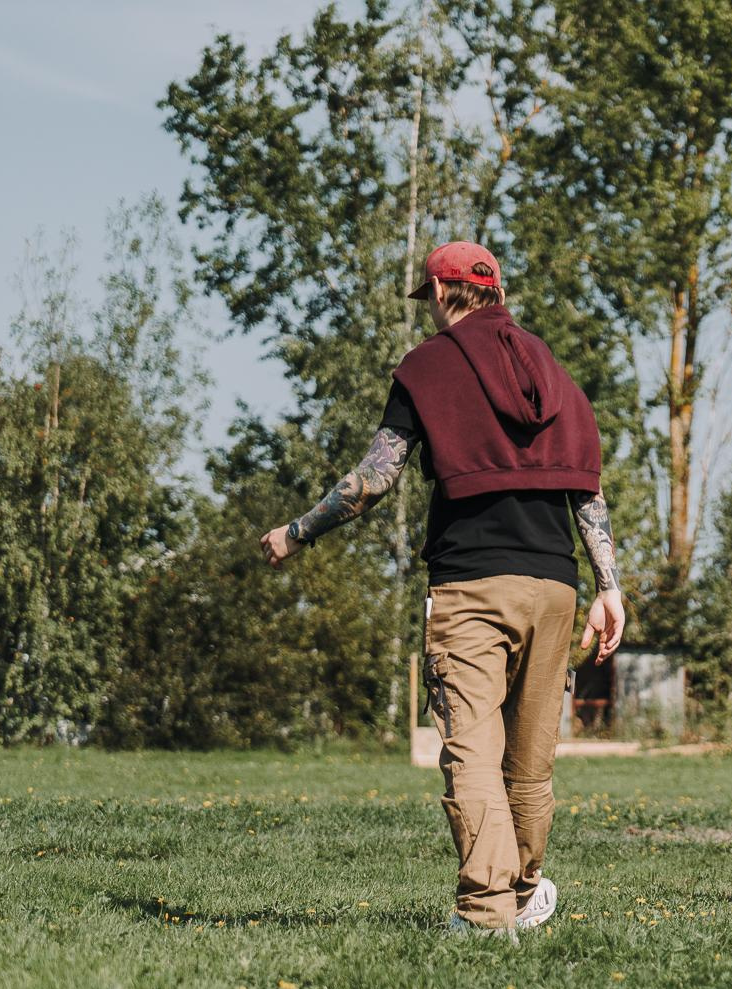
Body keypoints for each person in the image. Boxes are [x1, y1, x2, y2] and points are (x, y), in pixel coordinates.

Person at [258, 241, 626, 935]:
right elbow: (587, 487)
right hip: (555, 585)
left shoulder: (427, 367)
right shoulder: (549, 366)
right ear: (493, 290)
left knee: (472, 752)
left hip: (472, 586)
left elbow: (376, 476)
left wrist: (297, 531)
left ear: (439, 292)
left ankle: (488, 915)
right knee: (530, 758)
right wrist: (610, 585)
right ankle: (521, 893)